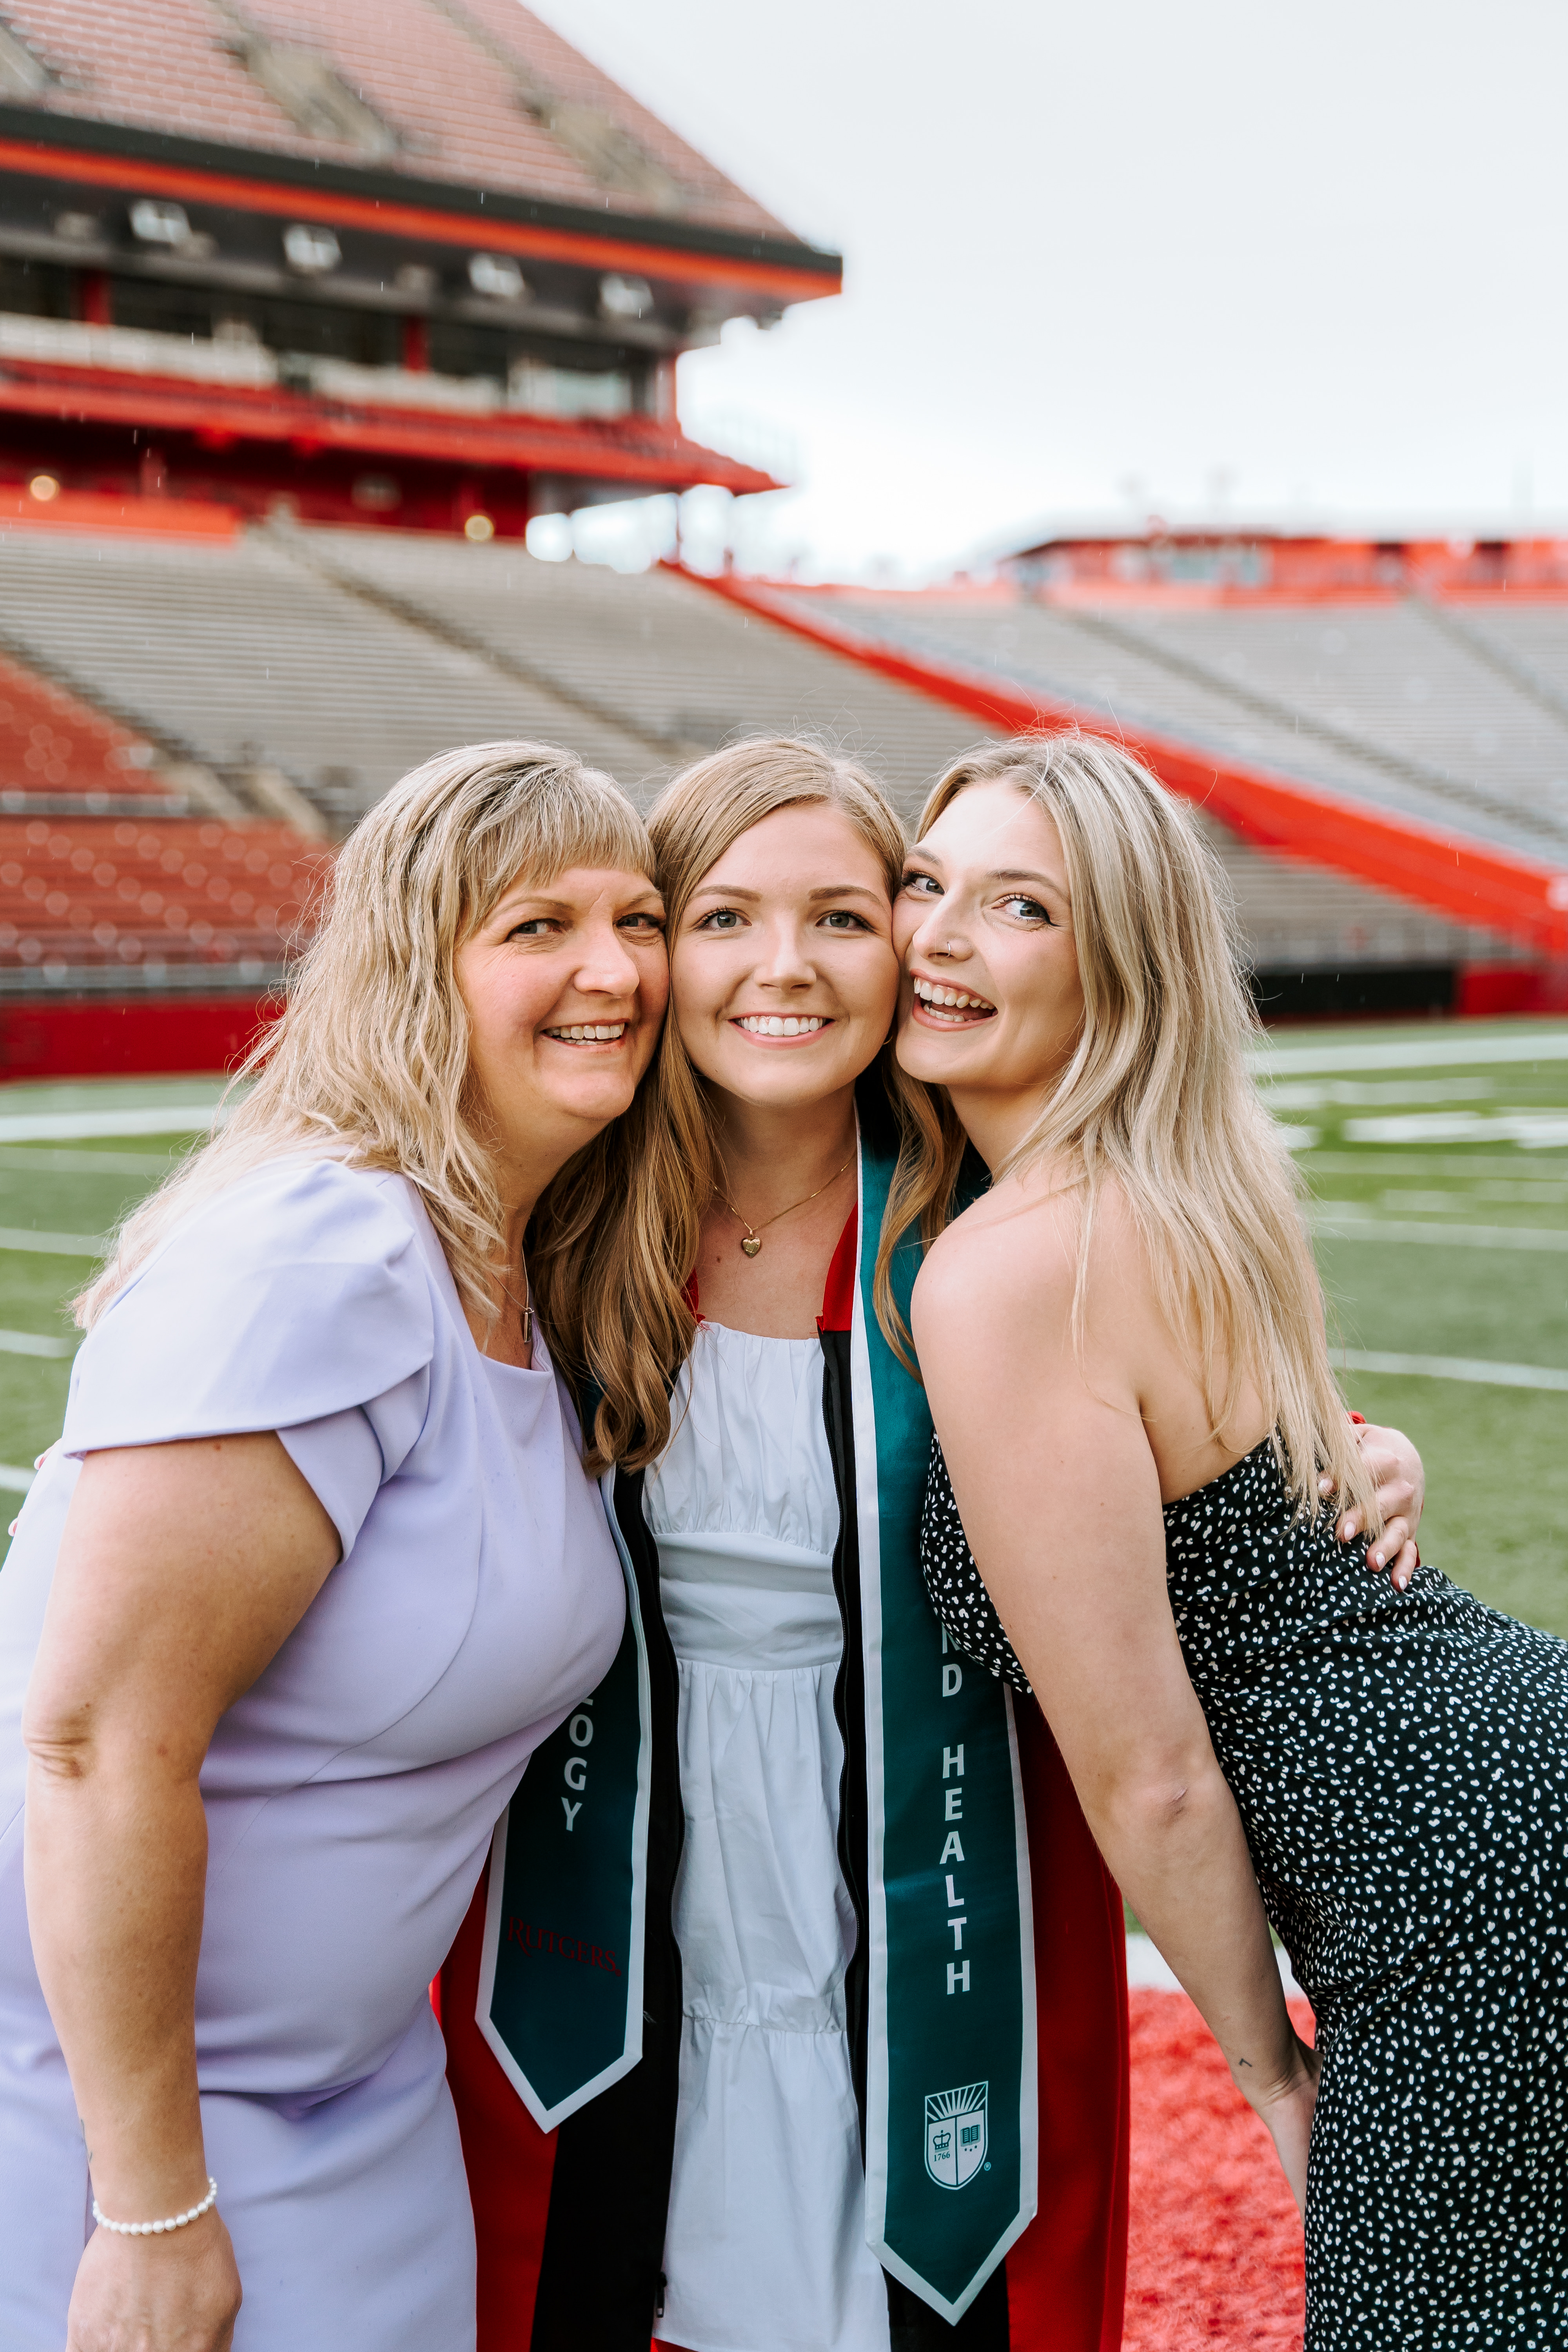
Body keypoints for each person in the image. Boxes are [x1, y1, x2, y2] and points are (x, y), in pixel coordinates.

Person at [438, 738, 1426, 2352]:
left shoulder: (986, 1218)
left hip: (945, 1874)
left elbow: (1185, 1427)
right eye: (727, 918)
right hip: (611, 1889)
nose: (786, 968)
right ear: (660, 944)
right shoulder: (560, 1210)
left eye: (842, 914)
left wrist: (1364, 1448)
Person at [0, 741, 673, 2352]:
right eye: (537, 928)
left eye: (638, 918)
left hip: (359, 2099)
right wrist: (148, 2205)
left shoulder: (524, 1259)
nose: (615, 969)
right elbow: (95, 1742)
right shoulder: (324, 1250)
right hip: (113, 2110)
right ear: (414, 972)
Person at [899, 733, 1566, 2350]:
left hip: (1448, 1889)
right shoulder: (1198, 1177)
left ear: (1117, 966)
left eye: (1016, 908)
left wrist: (1265, 2072)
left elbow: (1155, 1771)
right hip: (1506, 1769)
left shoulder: (1005, 1271)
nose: (936, 934)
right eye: (924, 884)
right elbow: (1299, 1486)